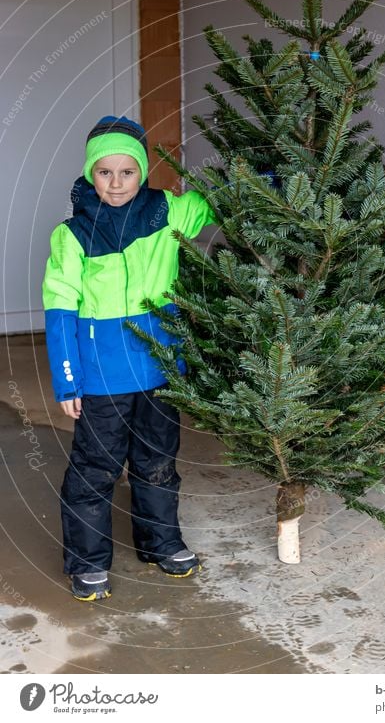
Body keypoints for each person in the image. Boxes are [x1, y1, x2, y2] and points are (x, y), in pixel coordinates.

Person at [42, 116, 216, 602]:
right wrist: (68, 381)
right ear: (89, 174)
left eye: (127, 172)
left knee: (157, 461)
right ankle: (88, 561)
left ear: (143, 173)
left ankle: (160, 542)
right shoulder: (72, 235)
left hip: (161, 366)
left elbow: (218, 204)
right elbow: (59, 310)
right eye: (104, 173)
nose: (116, 184)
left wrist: (257, 177)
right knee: (95, 469)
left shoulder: (167, 212)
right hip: (101, 376)